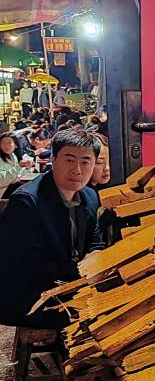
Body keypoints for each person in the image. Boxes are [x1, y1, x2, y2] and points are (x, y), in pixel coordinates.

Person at [0, 127, 102, 328]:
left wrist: (96, 257)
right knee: (97, 319)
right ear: (53, 159)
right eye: (69, 160)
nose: (77, 170)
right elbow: (25, 264)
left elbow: (95, 242)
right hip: (30, 298)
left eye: (85, 162)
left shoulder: (90, 196)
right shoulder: (27, 201)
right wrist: (82, 274)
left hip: (69, 287)